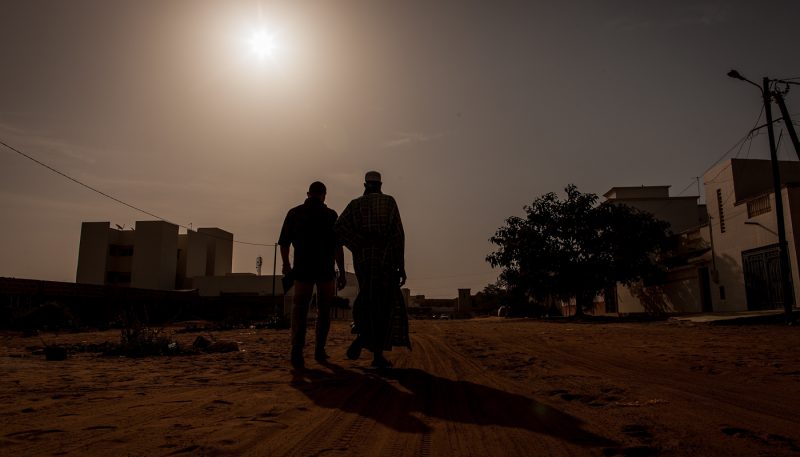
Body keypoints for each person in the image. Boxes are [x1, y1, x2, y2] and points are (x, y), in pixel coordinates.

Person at [335, 171, 411, 368]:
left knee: (367, 299)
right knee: (383, 306)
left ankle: (363, 334)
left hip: (363, 262)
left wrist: (359, 243)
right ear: (380, 184)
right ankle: (376, 354)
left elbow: (338, 229)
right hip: (385, 261)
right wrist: (400, 265)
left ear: (365, 185)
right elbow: (398, 235)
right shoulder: (389, 202)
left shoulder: (354, 204)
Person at [279, 181, 346, 369]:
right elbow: (337, 248)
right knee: (324, 311)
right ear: (324, 195)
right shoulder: (331, 215)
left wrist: (286, 265)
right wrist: (341, 272)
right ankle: (319, 350)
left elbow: (284, 243)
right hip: (325, 270)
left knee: (299, 310)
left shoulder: (294, 213)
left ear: (308, 193)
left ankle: (297, 351)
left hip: (303, 269)